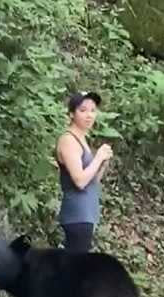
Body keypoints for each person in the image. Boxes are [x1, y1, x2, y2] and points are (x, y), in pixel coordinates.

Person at [56, 91, 114, 253]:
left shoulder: (82, 139)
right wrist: (98, 157)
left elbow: (92, 181)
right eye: (83, 110)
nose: (89, 115)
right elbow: (79, 181)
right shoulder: (69, 140)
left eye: (93, 110)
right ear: (71, 114)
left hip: (87, 214)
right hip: (76, 215)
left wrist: (102, 164)